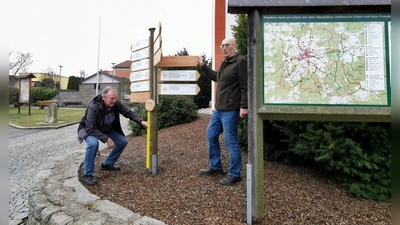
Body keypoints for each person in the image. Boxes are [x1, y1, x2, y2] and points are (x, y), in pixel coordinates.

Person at [197, 38, 248, 185]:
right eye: (222, 45)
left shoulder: (240, 62)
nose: (224, 48)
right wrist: (203, 66)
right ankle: (216, 166)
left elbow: (245, 86)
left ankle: (235, 174)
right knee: (211, 134)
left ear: (234, 46)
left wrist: (244, 106)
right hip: (219, 110)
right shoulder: (225, 63)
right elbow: (216, 76)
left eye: (227, 45)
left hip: (231, 110)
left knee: (230, 141)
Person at [77, 86, 148, 185]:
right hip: (90, 130)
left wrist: (140, 121)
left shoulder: (115, 103)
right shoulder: (93, 107)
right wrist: (107, 139)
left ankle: (107, 164)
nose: (114, 101)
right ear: (103, 98)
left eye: (116, 98)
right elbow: (90, 128)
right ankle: (87, 174)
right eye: (111, 98)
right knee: (93, 144)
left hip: (105, 128)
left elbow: (127, 112)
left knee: (122, 141)